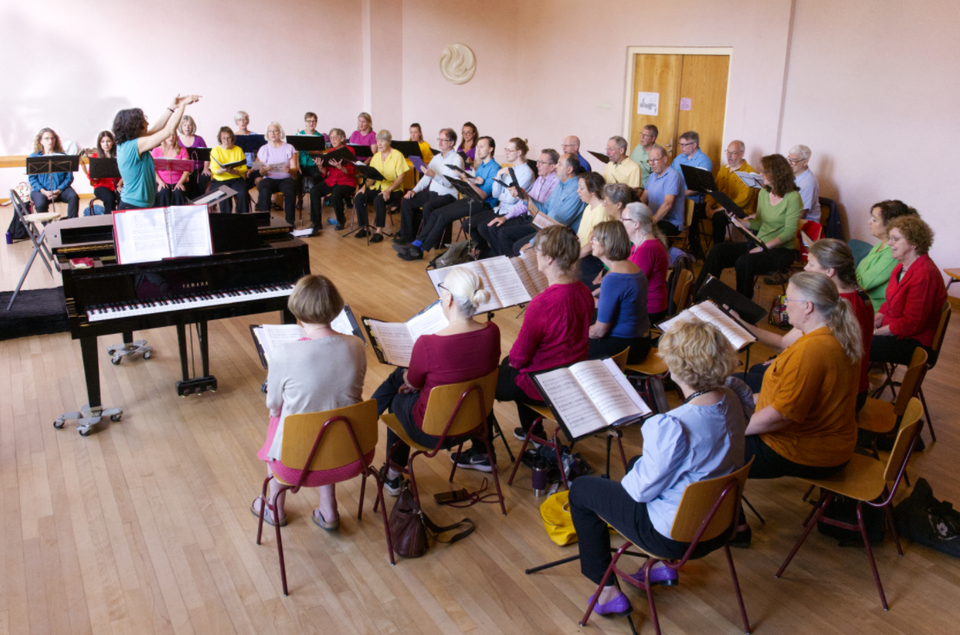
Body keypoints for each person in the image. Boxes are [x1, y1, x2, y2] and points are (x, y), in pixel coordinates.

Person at [569, 317, 751, 615]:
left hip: (674, 538)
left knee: (581, 490)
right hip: (719, 524)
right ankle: (659, 568)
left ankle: (608, 592)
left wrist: (638, 470)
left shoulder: (675, 425)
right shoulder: (733, 396)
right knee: (639, 464)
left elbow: (638, 492)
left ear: (677, 368)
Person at [736, 271, 861, 546]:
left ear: (808, 306)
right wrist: (743, 400)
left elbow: (780, 416)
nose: (783, 305)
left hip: (806, 449)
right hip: (828, 441)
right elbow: (791, 396)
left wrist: (731, 428)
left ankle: (735, 529)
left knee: (709, 449)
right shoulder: (830, 334)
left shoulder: (812, 350)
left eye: (787, 299)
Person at [253, 275, 366, 530]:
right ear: (335, 306)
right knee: (329, 412)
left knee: (280, 419)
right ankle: (328, 508)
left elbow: (273, 404)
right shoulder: (357, 345)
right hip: (351, 452)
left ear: (297, 308)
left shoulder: (284, 352)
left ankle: (274, 508)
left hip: (295, 466)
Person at [373, 268, 501, 480]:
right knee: (475, 386)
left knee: (397, 394)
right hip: (476, 423)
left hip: (431, 433)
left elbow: (413, 383)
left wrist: (410, 379)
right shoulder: (492, 331)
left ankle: (393, 475)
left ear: (449, 298)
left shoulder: (428, 344)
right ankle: (483, 454)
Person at [735, 240, 874, 411]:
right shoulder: (859, 293)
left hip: (839, 397)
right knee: (758, 369)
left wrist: (741, 324)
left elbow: (783, 344)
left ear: (829, 272)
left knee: (739, 381)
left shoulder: (830, 307)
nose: (806, 268)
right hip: (854, 388)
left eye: (811, 264)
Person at [493, 226, 594, 449]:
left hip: (545, 382)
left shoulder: (542, 303)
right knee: (509, 365)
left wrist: (513, 363)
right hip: (571, 375)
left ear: (549, 258)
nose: (534, 254)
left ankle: (482, 452)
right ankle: (534, 433)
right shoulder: (584, 292)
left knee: (483, 379)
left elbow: (519, 357)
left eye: (536, 250)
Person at [695, 154, 801, 298]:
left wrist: (763, 247)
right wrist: (737, 220)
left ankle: (742, 306)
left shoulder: (793, 197)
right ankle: (700, 294)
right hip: (760, 243)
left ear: (776, 173)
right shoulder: (764, 192)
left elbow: (789, 232)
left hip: (781, 250)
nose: (760, 174)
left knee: (744, 263)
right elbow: (758, 222)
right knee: (717, 250)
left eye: (764, 171)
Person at [396, 136, 500, 261]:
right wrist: (471, 180)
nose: (478, 149)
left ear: (490, 149)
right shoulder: (482, 166)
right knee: (436, 213)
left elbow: (482, 195)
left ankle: (420, 249)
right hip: (471, 199)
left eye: (482, 146)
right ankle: (416, 244)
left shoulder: (495, 168)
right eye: (478, 146)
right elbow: (476, 186)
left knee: (443, 216)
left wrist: (467, 180)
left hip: (483, 204)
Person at [870, 215, 947, 366]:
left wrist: (875, 333)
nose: (889, 243)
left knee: (857, 345)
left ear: (914, 243)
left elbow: (913, 323)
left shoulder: (924, 274)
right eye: (890, 238)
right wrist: (874, 320)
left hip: (916, 342)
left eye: (895, 239)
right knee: (851, 336)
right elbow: (889, 303)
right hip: (899, 331)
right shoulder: (901, 267)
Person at [113, 94, 200, 209]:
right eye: (144, 121)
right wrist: (183, 105)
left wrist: (172, 107)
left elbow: (156, 128)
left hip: (137, 204)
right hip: (133, 205)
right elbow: (169, 130)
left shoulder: (128, 143)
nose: (147, 124)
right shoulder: (135, 145)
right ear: (134, 126)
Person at [497, 153, 586, 258]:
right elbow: (544, 208)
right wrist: (525, 196)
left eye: (559, 164)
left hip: (560, 236)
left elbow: (558, 225)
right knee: (506, 235)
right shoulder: (561, 184)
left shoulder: (576, 190)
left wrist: (533, 243)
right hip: (546, 227)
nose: (556, 166)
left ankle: (519, 266)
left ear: (569, 170)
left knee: (519, 247)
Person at [587, 221, 651, 363]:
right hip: (642, 340)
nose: (590, 242)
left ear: (607, 244)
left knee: (569, 344)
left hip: (626, 348)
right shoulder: (634, 268)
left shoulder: (613, 279)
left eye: (594, 239)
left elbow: (599, 331)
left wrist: (577, 333)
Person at [477, 147, 555, 258]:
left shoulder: (556, 183)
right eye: (538, 162)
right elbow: (524, 203)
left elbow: (540, 209)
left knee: (504, 233)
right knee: (492, 227)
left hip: (539, 222)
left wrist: (522, 198)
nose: (537, 165)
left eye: (542, 163)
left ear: (552, 166)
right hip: (526, 216)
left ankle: (511, 262)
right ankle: (500, 257)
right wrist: (505, 217)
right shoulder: (540, 179)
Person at [393, 128, 463, 246]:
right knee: (407, 200)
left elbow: (450, 184)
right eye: (439, 139)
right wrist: (414, 190)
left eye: (443, 140)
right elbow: (426, 178)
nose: (440, 142)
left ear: (452, 142)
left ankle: (423, 241)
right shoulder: (436, 158)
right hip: (433, 194)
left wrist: (434, 175)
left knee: (428, 206)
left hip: (448, 196)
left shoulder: (457, 159)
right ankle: (407, 236)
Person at [468, 138, 535, 255]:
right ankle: (492, 252)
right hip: (501, 208)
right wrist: (499, 175)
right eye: (506, 149)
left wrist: (502, 195)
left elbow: (511, 199)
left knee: (486, 227)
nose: (506, 153)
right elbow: (495, 194)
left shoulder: (527, 173)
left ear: (519, 152)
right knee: (475, 225)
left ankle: (499, 254)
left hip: (514, 212)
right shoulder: (508, 170)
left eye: (510, 150)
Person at [856, 200, 917, 311]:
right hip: (861, 302)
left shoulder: (892, 253)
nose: (869, 222)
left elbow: (861, 284)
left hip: (874, 309)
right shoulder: (879, 246)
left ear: (890, 224)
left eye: (874, 219)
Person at [352, 129, 409, 243]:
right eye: (378, 141)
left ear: (389, 142)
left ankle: (379, 232)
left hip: (394, 189)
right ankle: (365, 228)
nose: (379, 144)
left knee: (379, 199)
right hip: (378, 186)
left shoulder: (397, 155)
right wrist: (363, 188)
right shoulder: (376, 156)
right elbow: (371, 177)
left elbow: (401, 177)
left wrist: (388, 190)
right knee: (359, 197)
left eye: (382, 141)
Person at [620, 202, 669, 323]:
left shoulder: (646, 249)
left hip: (648, 310)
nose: (620, 222)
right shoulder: (638, 244)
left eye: (623, 219)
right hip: (641, 303)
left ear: (636, 224)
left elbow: (632, 286)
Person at [706, 140, 758, 245]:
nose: (729, 156)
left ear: (742, 154)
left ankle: (718, 249)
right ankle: (696, 249)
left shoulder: (749, 172)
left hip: (740, 209)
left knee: (718, 218)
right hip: (720, 207)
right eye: (728, 152)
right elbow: (714, 191)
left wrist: (715, 211)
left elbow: (741, 201)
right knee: (695, 210)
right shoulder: (724, 169)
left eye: (733, 153)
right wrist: (708, 207)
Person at [672, 131, 713, 258]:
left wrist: (679, 195)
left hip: (694, 199)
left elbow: (698, 187)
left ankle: (696, 250)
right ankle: (667, 243)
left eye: (684, 145)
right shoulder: (679, 158)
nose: (681, 147)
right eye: (680, 144)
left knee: (689, 208)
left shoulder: (704, 161)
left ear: (694, 145)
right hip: (678, 196)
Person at [309, 128, 355, 232]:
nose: (332, 140)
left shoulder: (349, 150)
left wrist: (340, 167)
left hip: (346, 181)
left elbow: (351, 172)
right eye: (331, 138)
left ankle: (340, 220)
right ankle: (316, 222)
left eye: (335, 137)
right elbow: (325, 173)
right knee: (314, 191)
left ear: (342, 138)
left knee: (335, 194)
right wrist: (320, 167)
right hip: (331, 180)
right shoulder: (330, 152)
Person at [28, 128, 80, 218]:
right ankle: (48, 225)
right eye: (47, 138)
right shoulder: (34, 157)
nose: (50, 141)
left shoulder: (63, 156)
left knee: (73, 197)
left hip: (60, 189)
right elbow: (32, 178)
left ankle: (71, 223)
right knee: (40, 204)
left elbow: (69, 177)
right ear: (40, 141)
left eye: (52, 138)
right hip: (41, 190)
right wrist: (43, 191)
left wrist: (59, 190)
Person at [256, 122, 298, 224]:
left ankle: (290, 222)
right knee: (264, 190)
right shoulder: (263, 149)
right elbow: (261, 172)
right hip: (269, 179)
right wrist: (264, 170)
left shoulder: (289, 147)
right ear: (267, 134)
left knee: (290, 190)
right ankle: (264, 222)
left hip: (286, 179)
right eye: (270, 131)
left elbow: (295, 169)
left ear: (280, 132)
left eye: (275, 131)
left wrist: (289, 170)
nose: (272, 133)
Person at [575, 172, 611, 285]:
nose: (577, 191)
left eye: (581, 188)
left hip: (595, 258)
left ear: (593, 191)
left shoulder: (601, 210)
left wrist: (573, 257)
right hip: (584, 254)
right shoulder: (588, 207)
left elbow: (594, 244)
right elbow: (579, 237)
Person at [640, 145, 685, 237]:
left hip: (670, 222)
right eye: (650, 160)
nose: (651, 163)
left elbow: (667, 204)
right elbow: (644, 198)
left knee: (643, 231)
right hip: (654, 218)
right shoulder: (652, 175)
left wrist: (652, 221)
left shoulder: (673, 176)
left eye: (655, 160)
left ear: (665, 159)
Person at [209, 126, 250, 214]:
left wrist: (234, 171)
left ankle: (243, 218)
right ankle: (227, 219)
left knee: (242, 193)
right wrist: (222, 170)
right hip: (220, 180)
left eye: (228, 138)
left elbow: (244, 168)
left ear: (232, 138)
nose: (226, 141)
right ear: (220, 139)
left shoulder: (238, 149)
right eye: (224, 138)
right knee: (224, 195)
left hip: (236, 180)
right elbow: (214, 170)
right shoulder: (215, 150)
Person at [80, 130, 120, 214]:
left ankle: (121, 218)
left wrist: (120, 184)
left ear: (113, 142)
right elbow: (91, 176)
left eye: (108, 141)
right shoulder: (95, 156)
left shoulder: (119, 155)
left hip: (118, 185)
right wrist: (95, 177)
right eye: (103, 141)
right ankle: (108, 221)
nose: (106, 144)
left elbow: (124, 173)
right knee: (110, 199)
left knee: (124, 198)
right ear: (100, 144)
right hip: (101, 186)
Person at [151, 133, 190, 207]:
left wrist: (180, 182)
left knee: (178, 192)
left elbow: (186, 170)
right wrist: (160, 182)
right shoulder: (156, 150)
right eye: (169, 135)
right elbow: (153, 170)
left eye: (173, 135)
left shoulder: (183, 150)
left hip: (179, 181)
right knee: (163, 192)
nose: (171, 137)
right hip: (161, 182)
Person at [295, 112, 327, 196]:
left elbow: (320, 152)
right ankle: (299, 198)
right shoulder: (299, 134)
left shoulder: (319, 136)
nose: (311, 123)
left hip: (313, 164)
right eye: (309, 121)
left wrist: (310, 150)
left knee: (317, 176)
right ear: (305, 122)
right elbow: (296, 152)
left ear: (316, 123)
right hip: (301, 164)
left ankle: (316, 197)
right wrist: (297, 165)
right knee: (297, 176)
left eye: (313, 121)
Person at [178, 115, 209, 199]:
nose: (187, 127)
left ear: (192, 126)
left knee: (205, 177)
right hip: (183, 171)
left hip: (199, 169)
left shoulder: (199, 139)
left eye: (189, 125)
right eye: (184, 125)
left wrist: (205, 168)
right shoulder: (176, 140)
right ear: (181, 126)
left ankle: (204, 201)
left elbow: (207, 156)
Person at [788, 144, 821, 222]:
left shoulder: (809, 183)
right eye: (789, 159)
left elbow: (800, 214)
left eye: (794, 160)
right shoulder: (791, 175)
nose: (790, 163)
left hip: (805, 223)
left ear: (805, 162)